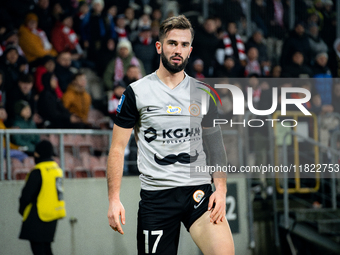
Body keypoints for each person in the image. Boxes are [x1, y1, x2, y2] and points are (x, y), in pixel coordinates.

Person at [107, 15, 234, 255]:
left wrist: (221, 188)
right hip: (157, 199)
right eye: (172, 43)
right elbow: (116, 149)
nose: (178, 50)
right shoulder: (136, 92)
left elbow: (216, 145)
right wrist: (114, 199)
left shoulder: (204, 93)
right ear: (159, 46)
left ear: (190, 50)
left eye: (184, 45)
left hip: (198, 193)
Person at [18, 140, 66, 255]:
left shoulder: (38, 171)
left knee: (38, 250)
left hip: (38, 216)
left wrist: (22, 210)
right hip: (53, 215)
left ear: (37, 154)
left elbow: (26, 196)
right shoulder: (57, 169)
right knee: (47, 248)